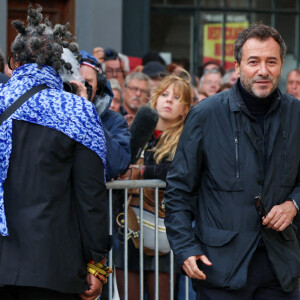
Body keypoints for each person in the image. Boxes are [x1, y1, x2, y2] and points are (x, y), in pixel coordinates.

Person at [164, 22, 300, 299]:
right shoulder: (206, 115)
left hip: (282, 267)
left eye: (271, 61)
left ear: (281, 65)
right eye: (254, 62)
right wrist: (186, 247)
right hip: (220, 269)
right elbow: (179, 190)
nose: (263, 70)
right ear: (237, 67)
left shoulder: (296, 114)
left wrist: (294, 204)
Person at [0, 4, 111, 300]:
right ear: (58, 64)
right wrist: (97, 263)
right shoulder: (77, 112)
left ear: (12, 61)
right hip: (53, 267)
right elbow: (91, 195)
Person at [115, 73, 192, 300]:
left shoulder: (187, 139)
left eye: (176, 98)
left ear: (185, 109)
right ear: (155, 99)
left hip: (163, 232)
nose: (168, 100)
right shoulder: (138, 131)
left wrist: (142, 172)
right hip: (128, 229)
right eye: (165, 95)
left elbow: (180, 172)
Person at [78, 50, 131, 181]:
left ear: (99, 86)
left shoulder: (115, 121)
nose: (82, 87)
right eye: (78, 81)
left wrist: (89, 115)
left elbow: (118, 165)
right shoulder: (55, 115)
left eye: (88, 82)